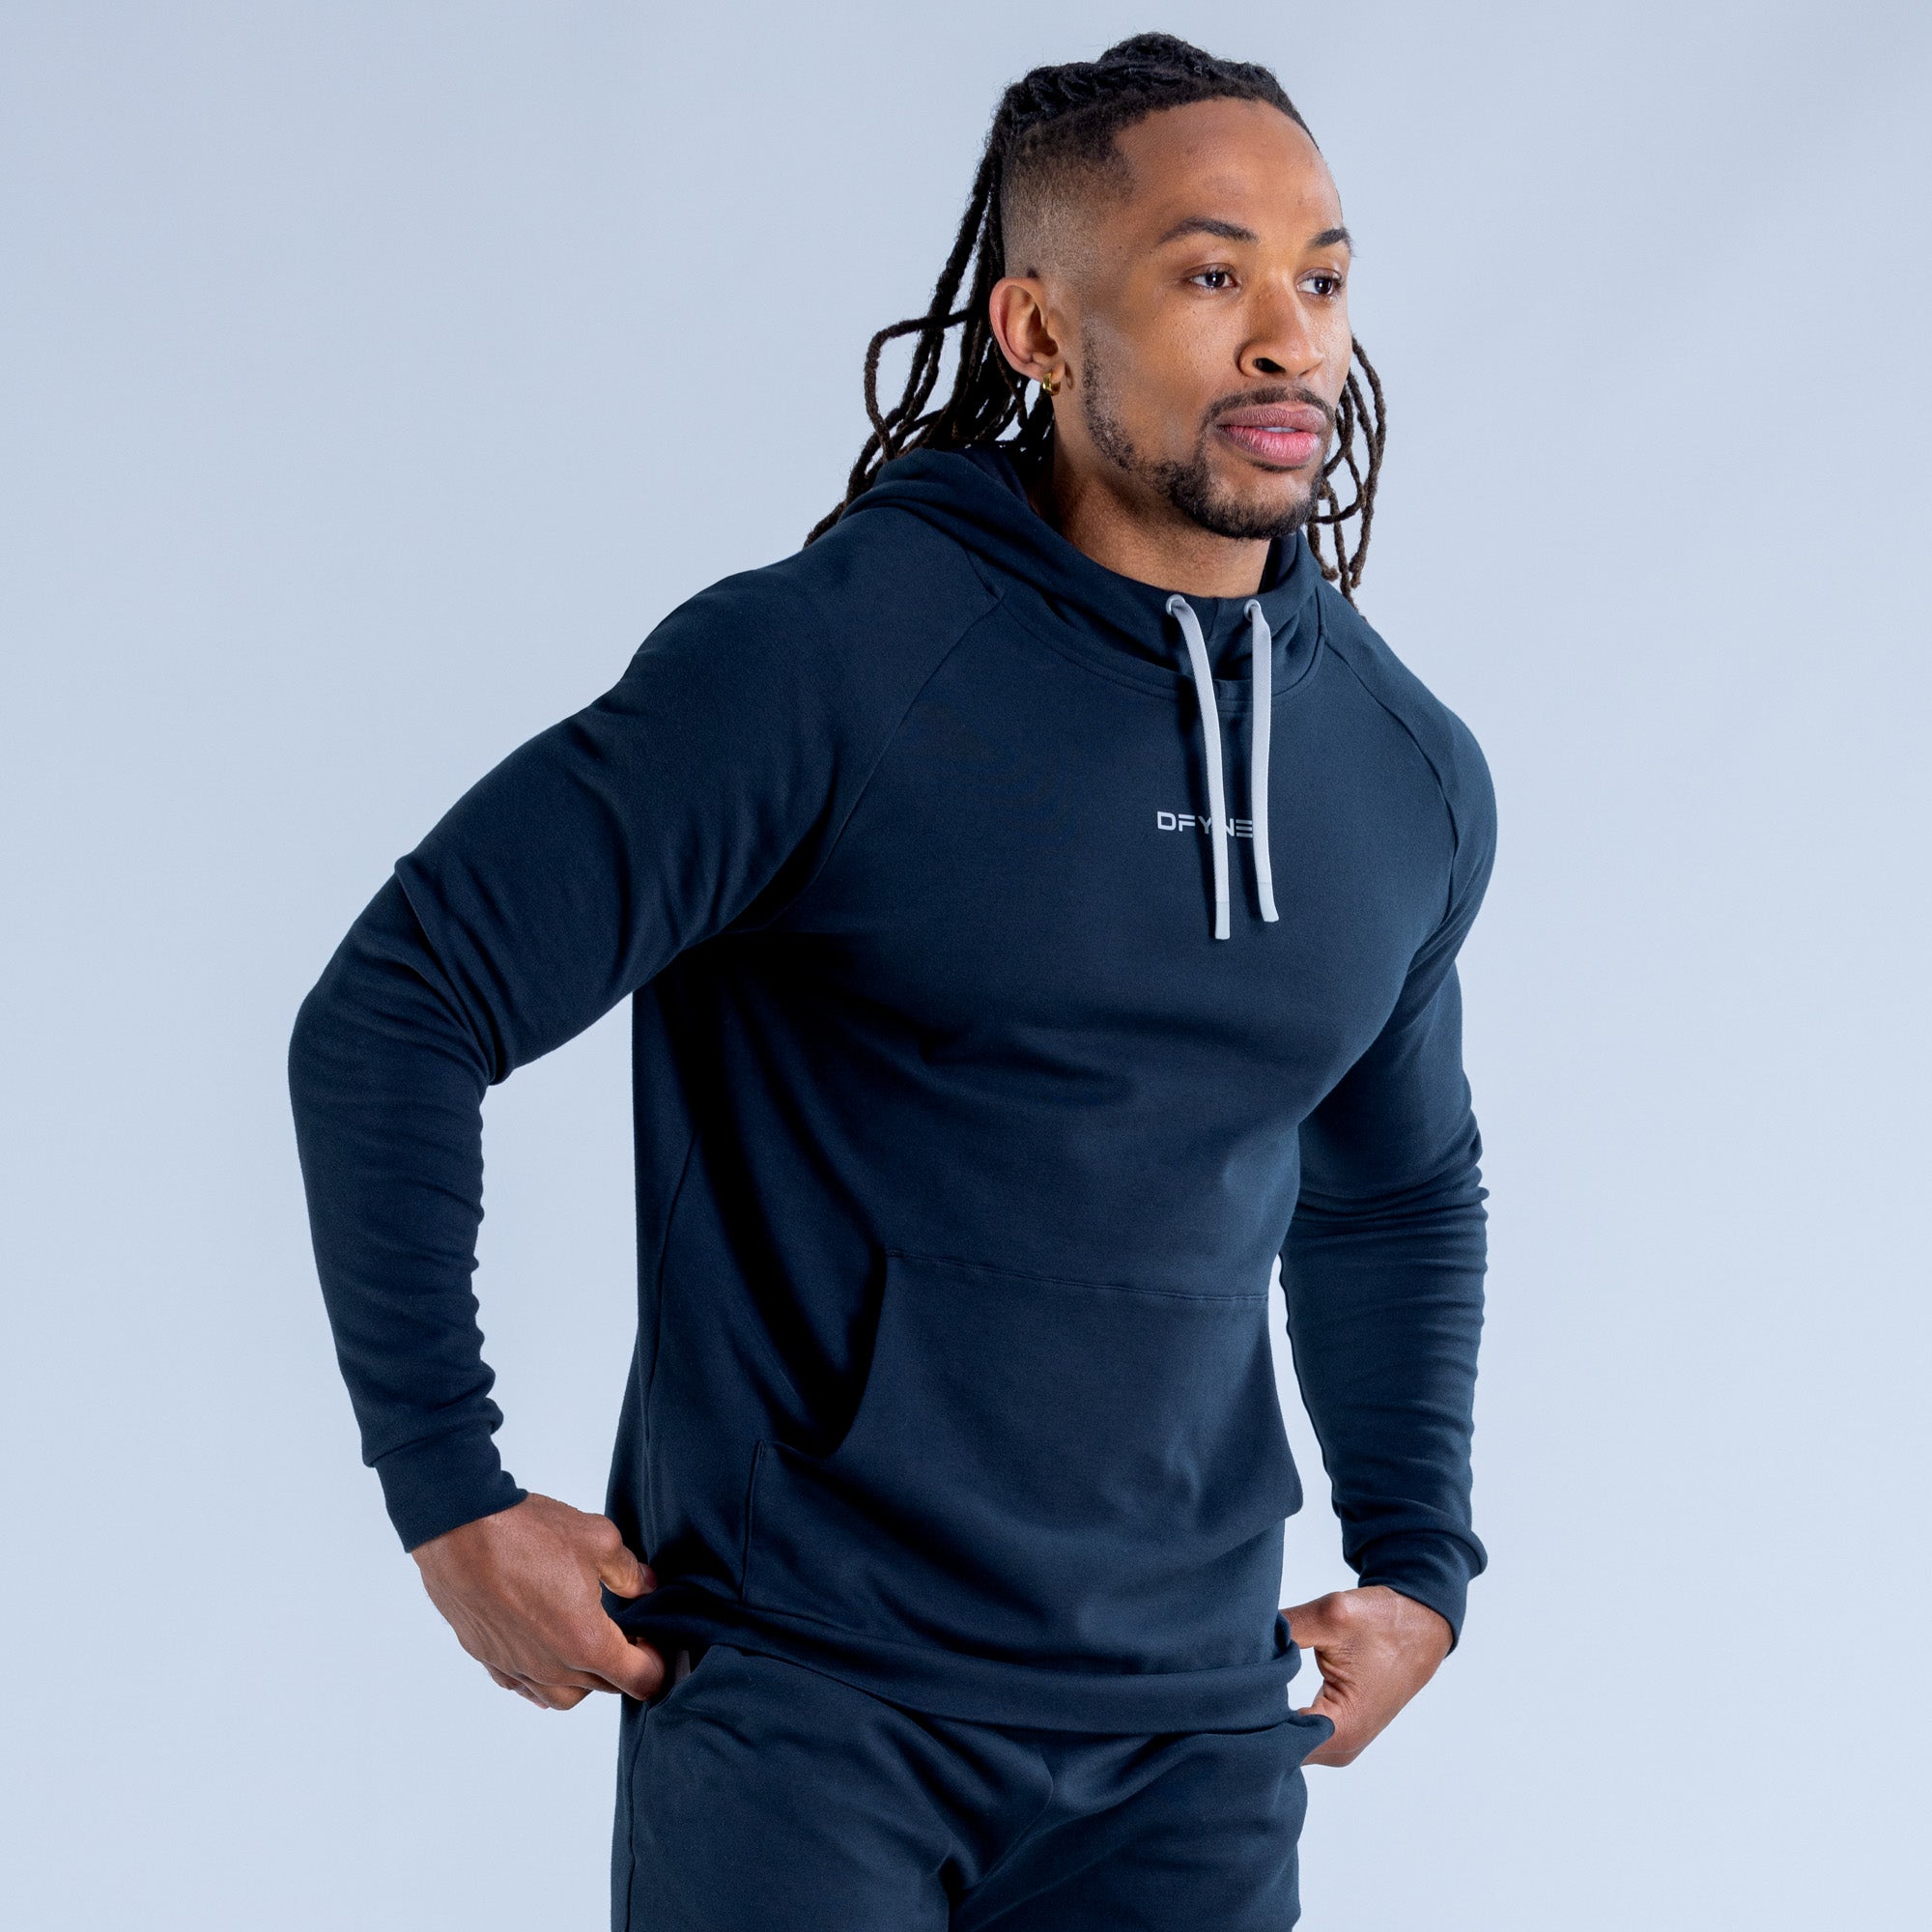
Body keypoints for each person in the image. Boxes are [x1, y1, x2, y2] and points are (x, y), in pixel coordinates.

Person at [290, 32, 1496, 1930]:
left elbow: (1398, 1187)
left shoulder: (1399, 771)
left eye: (1323, 279)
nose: (1290, 341)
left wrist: (1418, 1558)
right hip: (810, 1703)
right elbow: (405, 999)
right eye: (1212, 274)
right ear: (1037, 327)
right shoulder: (828, 668)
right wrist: (449, 1490)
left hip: (1191, 1737)